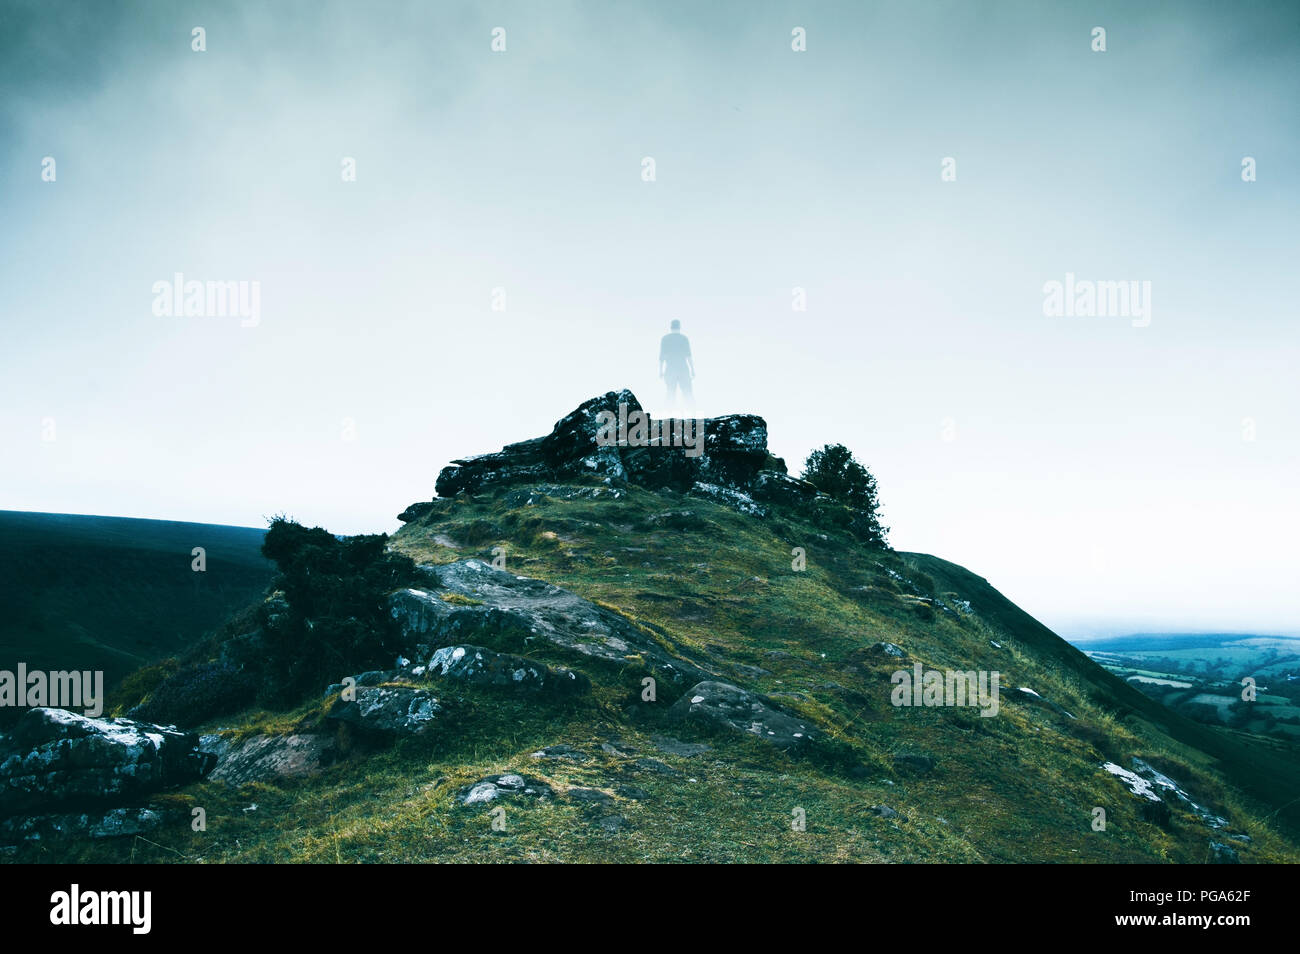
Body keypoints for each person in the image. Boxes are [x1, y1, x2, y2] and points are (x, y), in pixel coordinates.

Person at [659, 319, 694, 405]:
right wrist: (692, 369)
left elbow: (661, 357)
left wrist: (660, 371)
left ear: (671, 327)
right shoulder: (684, 338)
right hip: (683, 369)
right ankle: (692, 413)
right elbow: (688, 356)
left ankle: (669, 413)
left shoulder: (665, 339)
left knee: (670, 393)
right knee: (687, 393)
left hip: (670, 369)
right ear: (679, 327)